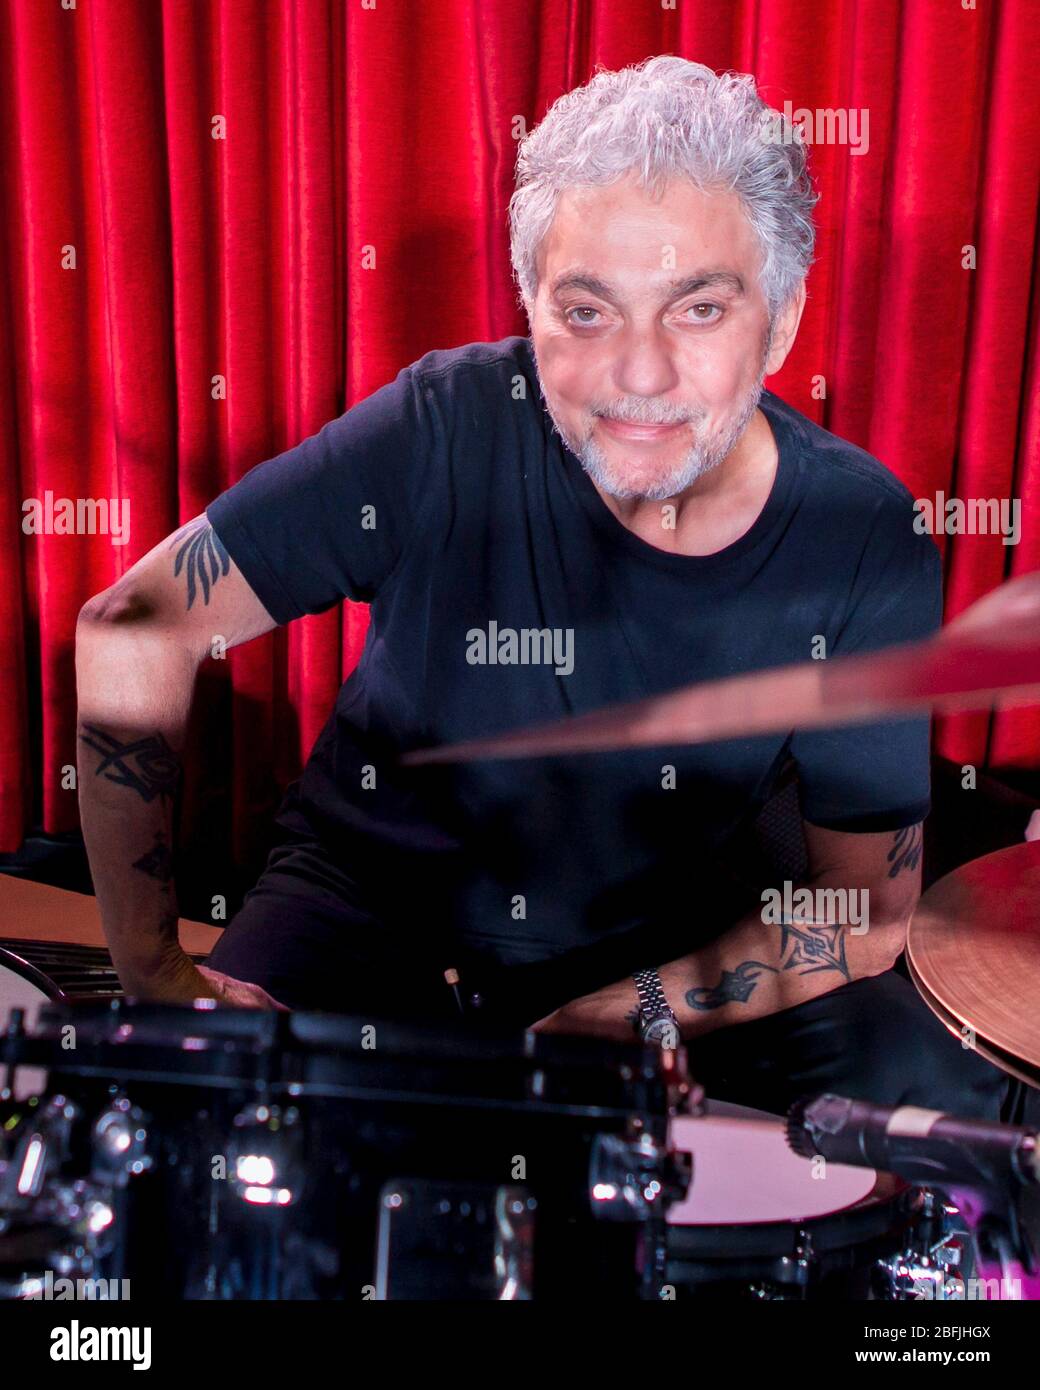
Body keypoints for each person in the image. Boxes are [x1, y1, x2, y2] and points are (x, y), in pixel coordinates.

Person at [75, 56, 1005, 1120]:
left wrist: (615, 1015)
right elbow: (133, 627)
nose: (640, 377)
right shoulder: (443, 422)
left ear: (781, 319)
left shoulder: (861, 536)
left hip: (657, 958)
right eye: (586, 310)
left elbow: (859, 913)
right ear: (530, 309)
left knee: (906, 1106)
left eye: (697, 309)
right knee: (189, 1143)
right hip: (364, 905)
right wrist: (151, 971)